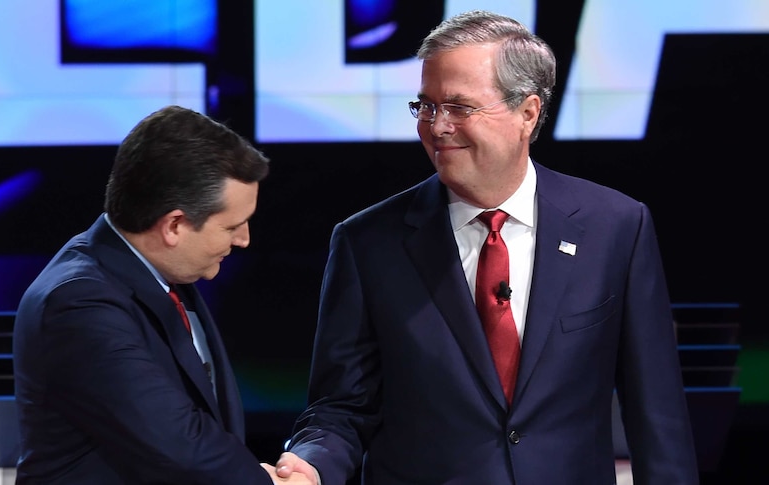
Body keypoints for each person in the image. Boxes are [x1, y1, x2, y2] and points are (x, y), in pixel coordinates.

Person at [275, 10, 699, 485]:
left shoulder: (616, 227)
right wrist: (311, 464)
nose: (436, 127)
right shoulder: (367, 243)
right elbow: (340, 407)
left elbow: (657, 414)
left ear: (527, 113)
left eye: (459, 107)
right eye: (426, 106)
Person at [13, 105, 312, 484]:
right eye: (232, 226)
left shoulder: (165, 272)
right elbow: (175, 440)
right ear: (174, 225)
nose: (244, 239)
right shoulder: (78, 303)